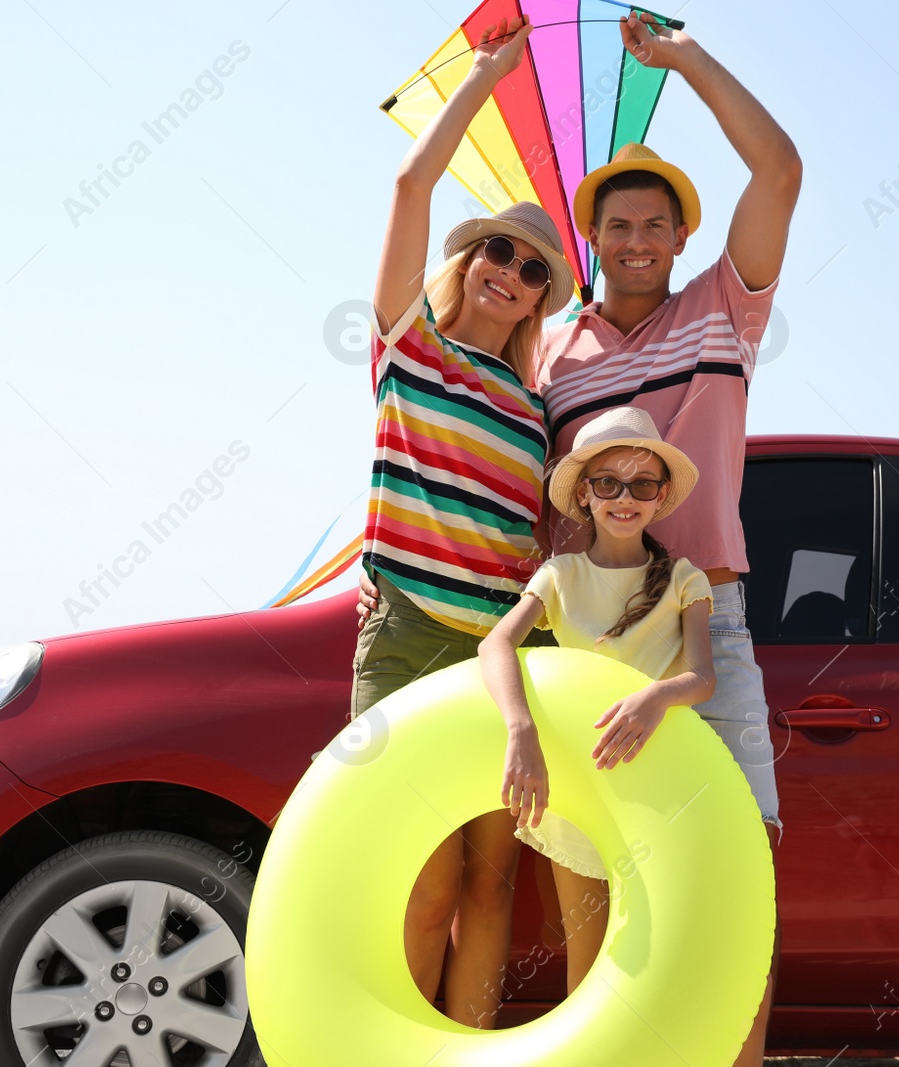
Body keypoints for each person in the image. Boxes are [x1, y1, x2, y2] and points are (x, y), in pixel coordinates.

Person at [531, 14, 802, 1064]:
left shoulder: (723, 313)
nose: (635, 242)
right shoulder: (551, 353)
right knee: (592, 873)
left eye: (653, 225)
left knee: (740, 869)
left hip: (707, 619)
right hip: (589, 629)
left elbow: (780, 165)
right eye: (616, 227)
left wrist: (682, 61)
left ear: (681, 237)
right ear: (591, 239)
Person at [353, 14, 573, 1029]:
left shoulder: (535, 412)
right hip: (402, 641)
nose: (511, 273)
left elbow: (536, 539)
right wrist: (484, 78)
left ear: (538, 302)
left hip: (495, 657)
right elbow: (408, 189)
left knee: (492, 884)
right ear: (468, 257)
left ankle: (467, 1049)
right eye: (498, 250)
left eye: (533, 271)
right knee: (423, 877)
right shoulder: (410, 345)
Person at [477, 407, 717, 994]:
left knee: (657, 954)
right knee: (590, 959)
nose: (624, 498)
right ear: (585, 494)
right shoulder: (560, 575)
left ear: (660, 497)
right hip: (580, 785)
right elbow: (496, 643)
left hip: (659, 788)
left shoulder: (686, 578)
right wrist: (520, 729)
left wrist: (656, 698)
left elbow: (704, 677)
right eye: (608, 483)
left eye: (641, 485)